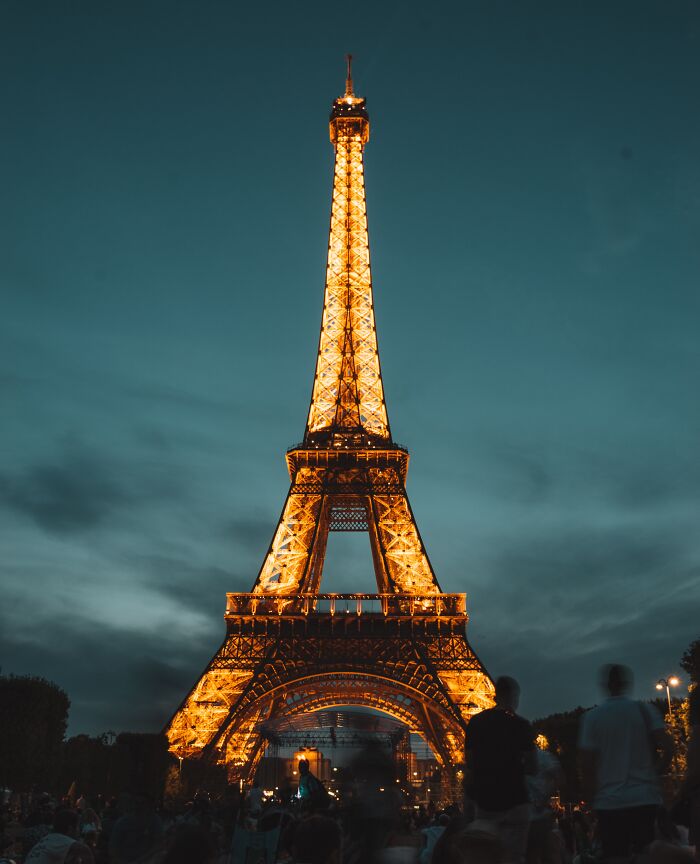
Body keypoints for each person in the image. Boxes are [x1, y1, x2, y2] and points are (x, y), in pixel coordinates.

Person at [578, 663, 673, 860]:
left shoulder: (592, 718)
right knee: (645, 853)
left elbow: (586, 765)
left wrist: (591, 799)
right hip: (643, 797)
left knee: (615, 855)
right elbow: (669, 747)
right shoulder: (645, 711)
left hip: (609, 801)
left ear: (606, 685)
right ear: (626, 684)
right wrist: (655, 773)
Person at [464, 675, 536, 863]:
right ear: (514, 697)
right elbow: (532, 765)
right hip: (516, 799)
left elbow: (469, 763)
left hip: (486, 801)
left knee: (484, 856)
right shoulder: (521, 725)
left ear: (495, 695)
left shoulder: (476, 722)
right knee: (514, 857)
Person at [24, 809, 94, 864]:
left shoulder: (50, 839)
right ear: (70, 829)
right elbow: (85, 850)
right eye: (77, 827)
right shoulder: (61, 839)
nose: (79, 831)